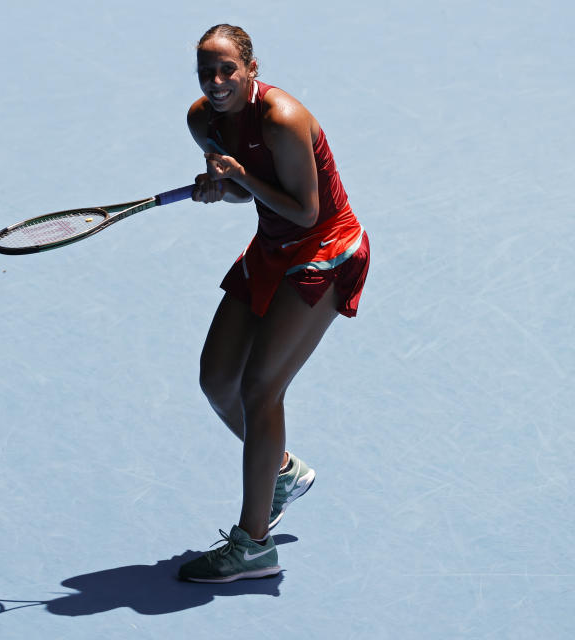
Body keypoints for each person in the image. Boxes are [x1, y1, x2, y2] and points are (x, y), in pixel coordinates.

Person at [177, 24, 370, 583]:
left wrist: (240, 178)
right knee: (217, 381)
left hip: (325, 248)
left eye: (226, 70)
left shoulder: (282, 120)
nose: (215, 82)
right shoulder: (202, 121)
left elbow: (307, 211)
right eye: (205, 73)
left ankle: (254, 544)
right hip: (272, 246)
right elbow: (248, 189)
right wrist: (222, 186)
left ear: (251, 69)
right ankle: (281, 471)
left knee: (260, 388)